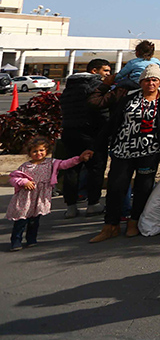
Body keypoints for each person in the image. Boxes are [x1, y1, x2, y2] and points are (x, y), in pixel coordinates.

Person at [88, 63, 160, 242]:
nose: (150, 83)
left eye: (154, 80)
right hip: (124, 150)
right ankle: (110, 225)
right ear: (141, 81)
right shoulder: (129, 96)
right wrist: (96, 145)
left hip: (150, 151)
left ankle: (134, 222)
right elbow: (113, 122)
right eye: (146, 80)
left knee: (143, 188)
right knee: (116, 187)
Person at [7, 136, 93, 251]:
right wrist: (24, 182)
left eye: (41, 150)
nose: (38, 153)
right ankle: (16, 241)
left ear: (46, 150)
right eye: (35, 151)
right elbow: (13, 178)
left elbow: (66, 164)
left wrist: (79, 159)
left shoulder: (51, 163)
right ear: (29, 153)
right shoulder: (25, 166)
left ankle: (31, 239)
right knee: (21, 221)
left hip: (39, 198)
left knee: (34, 220)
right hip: (25, 198)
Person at [59, 58, 112, 219]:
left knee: (72, 169)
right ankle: (93, 204)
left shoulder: (69, 87)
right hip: (91, 134)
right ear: (94, 71)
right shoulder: (96, 87)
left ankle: (71, 206)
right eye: (106, 71)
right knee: (95, 168)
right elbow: (102, 112)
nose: (108, 75)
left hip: (69, 132)